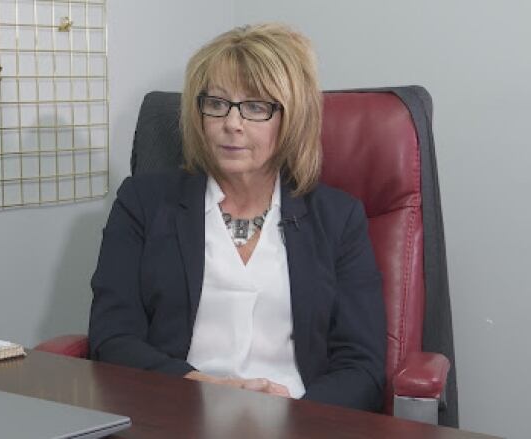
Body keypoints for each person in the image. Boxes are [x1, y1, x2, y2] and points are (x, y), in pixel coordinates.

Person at [88, 23, 386, 412]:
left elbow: (361, 366)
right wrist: (202, 386)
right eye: (217, 103)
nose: (232, 123)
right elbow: (112, 337)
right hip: (177, 412)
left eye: (256, 107)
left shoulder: (338, 218)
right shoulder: (143, 202)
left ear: (292, 118)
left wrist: (299, 416)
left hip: (298, 418)